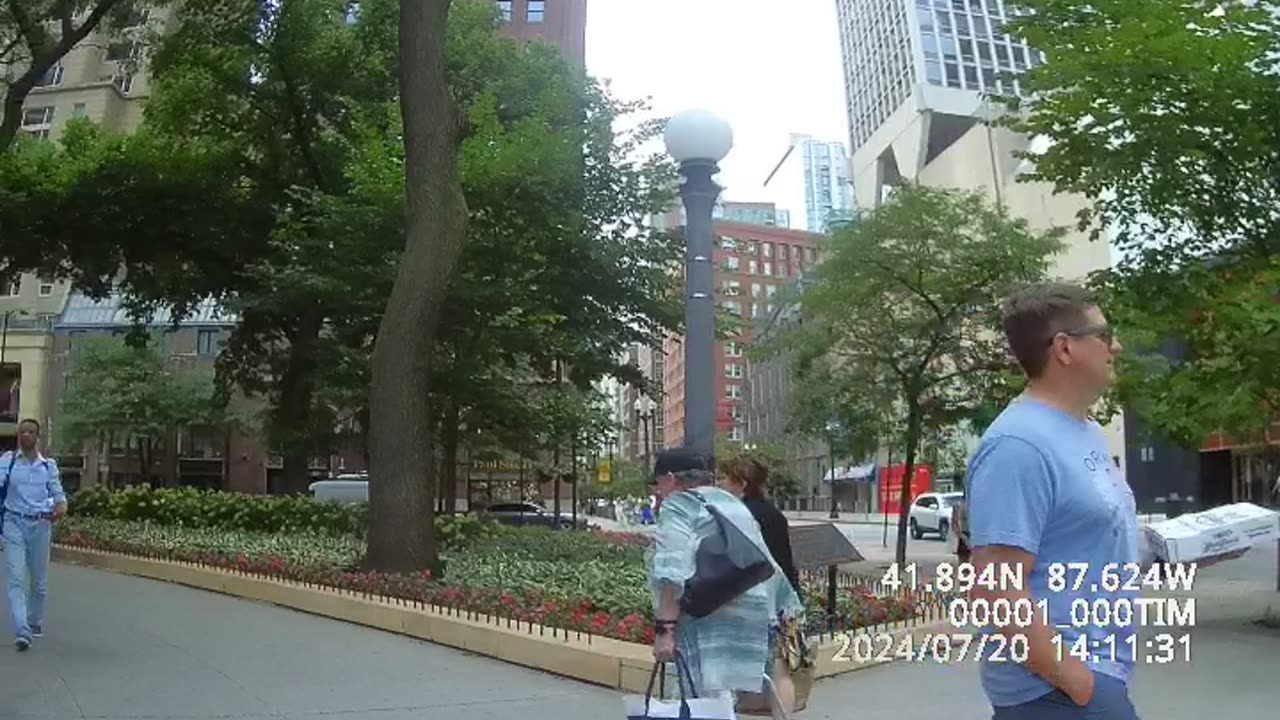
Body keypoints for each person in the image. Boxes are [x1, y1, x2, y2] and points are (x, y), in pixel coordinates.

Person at [649, 448, 801, 719]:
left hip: (706, 614)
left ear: (671, 478)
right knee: (722, 699)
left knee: (701, 698)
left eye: (658, 483)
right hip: (753, 613)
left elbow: (672, 571)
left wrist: (665, 630)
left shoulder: (678, 504)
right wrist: (782, 611)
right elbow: (766, 561)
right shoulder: (730, 503)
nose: (658, 490)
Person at [718, 455, 807, 716]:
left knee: (727, 672)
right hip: (782, 601)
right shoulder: (775, 514)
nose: (722, 483)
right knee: (781, 671)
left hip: (748, 602)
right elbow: (786, 562)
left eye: (726, 478)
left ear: (742, 483)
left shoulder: (736, 515)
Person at [2, 418, 67, 652]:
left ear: (38, 437)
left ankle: (34, 621)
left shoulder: (48, 466)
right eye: (22, 432)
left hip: (40, 524)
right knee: (16, 578)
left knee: (38, 583)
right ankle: (22, 630)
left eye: (31, 432)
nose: (26, 435)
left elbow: (59, 496)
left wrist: (60, 508)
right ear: (18, 436)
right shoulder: (7, 462)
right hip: (13, 523)